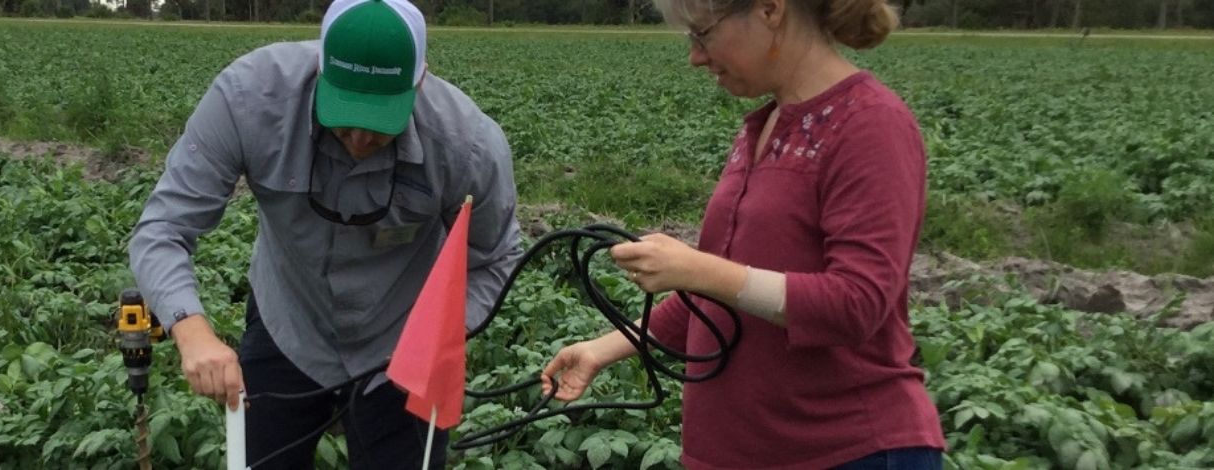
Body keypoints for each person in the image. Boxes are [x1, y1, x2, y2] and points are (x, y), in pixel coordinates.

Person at [538, 0, 946, 468]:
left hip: (843, 450)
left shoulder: (870, 123)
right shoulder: (765, 125)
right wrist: (602, 349)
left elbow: (858, 302)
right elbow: (721, 296)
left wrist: (697, 269)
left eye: (702, 33)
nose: (695, 56)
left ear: (770, 10)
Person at [128, 0, 523, 467]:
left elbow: (496, 257)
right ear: (321, 68)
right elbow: (163, 227)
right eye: (346, 113)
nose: (358, 138)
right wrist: (192, 331)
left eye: (379, 122)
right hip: (287, 324)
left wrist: (436, 339)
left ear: (419, 81)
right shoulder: (249, 98)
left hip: (402, 343)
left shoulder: (467, 144)